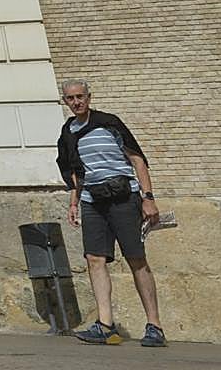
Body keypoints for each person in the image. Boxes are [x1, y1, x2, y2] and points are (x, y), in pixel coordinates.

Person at [55, 78, 167, 348]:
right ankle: (106, 325)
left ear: (89, 97)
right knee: (94, 259)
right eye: (71, 98)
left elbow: (137, 160)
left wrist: (148, 198)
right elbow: (75, 172)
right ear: (65, 101)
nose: (77, 102)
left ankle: (155, 326)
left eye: (81, 96)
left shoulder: (109, 123)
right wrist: (73, 202)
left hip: (124, 197)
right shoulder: (68, 132)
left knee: (136, 259)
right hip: (92, 201)